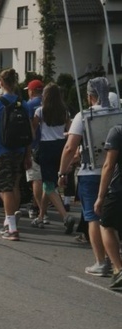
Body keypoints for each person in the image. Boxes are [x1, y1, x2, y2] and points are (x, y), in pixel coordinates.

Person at [60, 77, 114, 276]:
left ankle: (101, 262)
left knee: (93, 217)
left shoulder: (83, 116)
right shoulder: (117, 114)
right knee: (112, 217)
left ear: (90, 96)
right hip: (115, 171)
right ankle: (114, 258)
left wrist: (62, 171)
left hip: (91, 171)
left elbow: (70, 147)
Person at [0, 68, 32, 241]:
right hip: (19, 150)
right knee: (14, 183)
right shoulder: (22, 103)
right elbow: (30, 131)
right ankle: (10, 218)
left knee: (2, 186)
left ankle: (12, 227)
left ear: (1, 83)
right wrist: (28, 154)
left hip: (1, 150)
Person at [29, 82, 76, 232]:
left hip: (46, 147)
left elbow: (34, 130)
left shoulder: (41, 111)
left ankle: (65, 216)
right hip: (61, 145)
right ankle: (41, 216)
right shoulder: (64, 111)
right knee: (49, 184)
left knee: (48, 185)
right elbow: (70, 129)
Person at [96, 125, 122, 289]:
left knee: (106, 225)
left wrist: (100, 196)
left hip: (118, 189)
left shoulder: (117, 131)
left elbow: (108, 165)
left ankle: (118, 269)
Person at [24, 79, 44, 220]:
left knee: (36, 179)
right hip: (51, 144)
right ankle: (42, 207)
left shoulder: (29, 105)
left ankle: (40, 210)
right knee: (48, 179)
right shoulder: (51, 103)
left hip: (35, 145)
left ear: (32, 91)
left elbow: (29, 127)